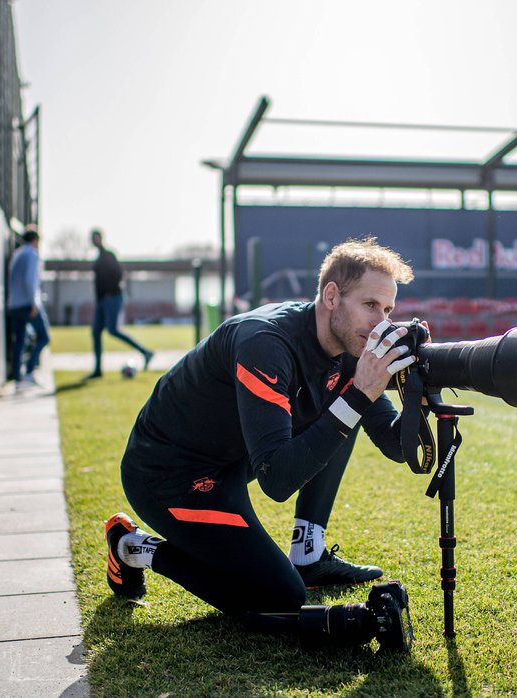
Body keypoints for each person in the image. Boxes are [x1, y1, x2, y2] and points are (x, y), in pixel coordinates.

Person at [105, 237, 420, 650]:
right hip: (168, 476)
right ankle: (132, 547)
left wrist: (419, 392)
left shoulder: (350, 346)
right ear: (331, 296)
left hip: (231, 463)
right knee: (280, 595)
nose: (381, 322)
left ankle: (309, 552)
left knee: (347, 407)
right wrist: (359, 395)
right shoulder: (265, 342)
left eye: (389, 310)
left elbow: (399, 446)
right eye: (370, 305)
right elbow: (277, 479)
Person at [85, 228, 153, 379]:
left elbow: (119, 274)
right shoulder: (98, 258)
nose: (94, 241)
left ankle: (146, 352)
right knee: (96, 332)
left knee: (113, 330)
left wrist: (110, 291)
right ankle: (98, 370)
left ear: (101, 238)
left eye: (96, 238)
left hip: (112, 297)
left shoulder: (109, 255)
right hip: (102, 300)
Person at [7, 226, 50, 389]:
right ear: (35, 240)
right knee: (44, 336)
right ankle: (30, 371)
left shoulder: (17, 254)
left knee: (19, 340)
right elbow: (30, 280)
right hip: (27, 304)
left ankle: (18, 375)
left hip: (15, 304)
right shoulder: (31, 254)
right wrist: (34, 304)